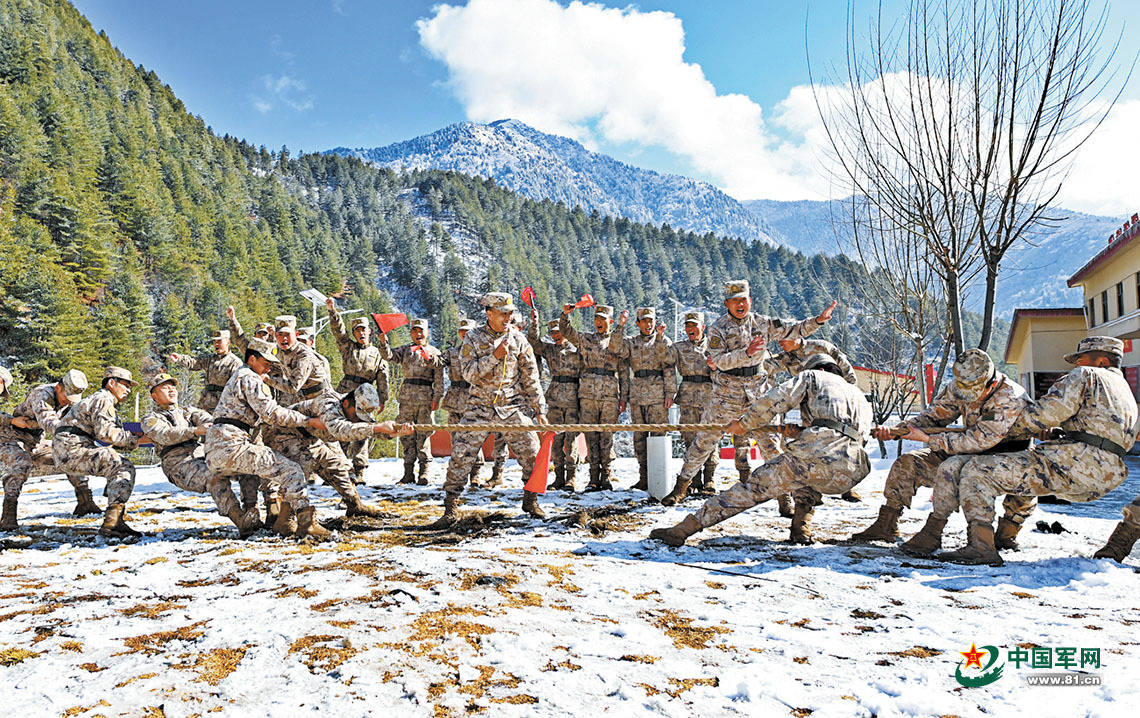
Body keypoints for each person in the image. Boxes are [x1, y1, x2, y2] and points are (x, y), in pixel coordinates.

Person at [927, 336, 1138, 566]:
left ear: (1102, 361)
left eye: (1082, 358)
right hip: (1108, 474)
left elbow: (1044, 413)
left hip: (1075, 462)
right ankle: (1006, 536)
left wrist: (1001, 427)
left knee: (977, 470)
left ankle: (980, 546)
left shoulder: (1086, 375)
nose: (1077, 364)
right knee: (1025, 469)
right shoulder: (1125, 392)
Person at [650, 353, 871, 546]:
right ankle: (800, 529)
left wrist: (744, 424)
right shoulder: (858, 395)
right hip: (851, 472)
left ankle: (683, 529)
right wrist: (802, 433)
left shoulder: (813, 376)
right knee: (810, 473)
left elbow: (775, 400)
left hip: (816, 455)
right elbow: (845, 434)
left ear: (820, 369)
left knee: (751, 490)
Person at [660, 280, 836, 506]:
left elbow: (795, 328)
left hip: (758, 393)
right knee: (704, 441)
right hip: (727, 393)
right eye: (734, 301)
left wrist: (818, 321)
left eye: (743, 300)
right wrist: (747, 352)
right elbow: (720, 361)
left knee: (772, 445)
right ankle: (681, 487)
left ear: (750, 301)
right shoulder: (717, 329)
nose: (740, 305)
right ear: (727, 304)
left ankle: (784, 497)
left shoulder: (763, 323)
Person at [850, 349, 1033, 552]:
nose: (968, 398)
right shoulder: (962, 385)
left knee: (952, 468)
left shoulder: (1009, 397)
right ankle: (886, 525)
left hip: (1007, 461)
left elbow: (978, 441)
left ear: (990, 384)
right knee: (908, 463)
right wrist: (902, 430)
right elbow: (935, 415)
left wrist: (929, 439)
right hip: (967, 452)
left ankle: (996, 535)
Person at [430, 293, 548, 528]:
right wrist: (494, 356)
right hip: (479, 407)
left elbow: (531, 379)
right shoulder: (472, 339)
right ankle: (451, 507)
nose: (508, 317)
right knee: (460, 456)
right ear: (490, 313)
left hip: (511, 407)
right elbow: (469, 374)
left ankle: (530, 500)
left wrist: (539, 410)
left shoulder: (519, 340)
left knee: (532, 452)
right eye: (503, 313)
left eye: (510, 313)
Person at [204, 338, 331, 540]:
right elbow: (271, 413)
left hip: (219, 447)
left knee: (260, 470)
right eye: (266, 363)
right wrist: (309, 421)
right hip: (231, 445)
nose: (269, 368)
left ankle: (267, 519)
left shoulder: (239, 377)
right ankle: (307, 523)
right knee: (292, 470)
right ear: (252, 359)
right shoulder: (249, 377)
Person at [141, 373, 258, 537]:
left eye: (173, 386)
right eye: (165, 387)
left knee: (247, 465)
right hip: (178, 464)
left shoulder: (188, 411)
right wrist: (194, 431)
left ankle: (252, 512)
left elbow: (209, 418)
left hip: (202, 456)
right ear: (154, 395)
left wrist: (211, 424)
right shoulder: (151, 419)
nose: (171, 390)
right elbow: (165, 434)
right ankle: (240, 520)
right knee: (215, 478)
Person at [281, 384, 411, 519]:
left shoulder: (354, 410)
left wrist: (394, 433)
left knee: (337, 466)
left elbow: (369, 430)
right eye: (357, 414)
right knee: (303, 465)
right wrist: (377, 427)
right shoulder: (328, 403)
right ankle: (286, 518)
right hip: (285, 434)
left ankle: (355, 506)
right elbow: (341, 430)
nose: (357, 419)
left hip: (309, 438)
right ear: (346, 403)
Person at [52, 366, 143, 538]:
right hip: (71, 449)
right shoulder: (104, 399)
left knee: (114, 460)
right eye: (125, 385)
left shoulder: (102, 400)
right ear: (111, 383)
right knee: (122, 466)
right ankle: (113, 523)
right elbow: (106, 433)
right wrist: (137, 439)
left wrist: (130, 438)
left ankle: (113, 516)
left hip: (68, 448)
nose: (128, 391)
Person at [766, 338, 859, 503]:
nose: (780, 343)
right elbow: (763, 368)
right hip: (809, 403)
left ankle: (848, 488)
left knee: (841, 443)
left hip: (834, 402)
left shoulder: (821, 347)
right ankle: (813, 492)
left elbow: (847, 372)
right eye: (778, 340)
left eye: (783, 339)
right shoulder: (785, 358)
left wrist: (846, 396)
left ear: (795, 335)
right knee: (812, 445)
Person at [1, 369, 95, 529]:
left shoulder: (68, 400)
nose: (68, 401)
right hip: (9, 438)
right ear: (59, 387)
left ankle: (85, 501)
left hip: (34, 441)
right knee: (21, 463)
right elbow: (48, 422)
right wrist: (11, 420)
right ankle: (8, 516)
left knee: (69, 454)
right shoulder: (42, 394)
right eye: (67, 395)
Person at [558, 304, 630, 491]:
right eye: (596, 319)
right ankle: (592, 478)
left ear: (610, 322)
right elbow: (566, 331)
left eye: (603, 319)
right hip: (588, 395)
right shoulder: (585, 339)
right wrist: (565, 314)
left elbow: (623, 373)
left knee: (606, 436)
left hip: (609, 397)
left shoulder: (618, 342)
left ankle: (605, 476)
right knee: (591, 436)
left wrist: (624, 397)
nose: (599, 322)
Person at [326, 298, 390, 483]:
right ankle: (337, 468)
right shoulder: (348, 348)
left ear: (370, 331)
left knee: (362, 432)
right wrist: (332, 311)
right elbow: (338, 331)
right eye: (357, 330)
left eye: (364, 329)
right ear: (354, 333)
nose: (361, 333)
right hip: (345, 393)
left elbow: (382, 378)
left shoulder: (378, 354)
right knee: (339, 430)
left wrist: (382, 400)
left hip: (366, 396)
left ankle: (359, 470)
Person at [380, 318, 443, 485]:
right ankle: (408, 472)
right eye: (414, 331)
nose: (418, 334)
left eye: (421, 330)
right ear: (411, 333)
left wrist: (437, 398)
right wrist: (383, 343)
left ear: (427, 332)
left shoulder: (434, 352)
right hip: (407, 399)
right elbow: (389, 355)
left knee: (423, 434)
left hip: (425, 399)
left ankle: (424, 472)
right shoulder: (406, 350)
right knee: (406, 434)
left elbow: (439, 379)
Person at [527, 311, 582, 491]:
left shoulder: (577, 349)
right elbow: (534, 344)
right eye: (552, 333)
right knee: (555, 439)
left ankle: (571, 477)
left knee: (571, 438)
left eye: (558, 331)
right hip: (555, 398)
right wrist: (534, 323)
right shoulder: (550, 349)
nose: (556, 335)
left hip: (573, 397)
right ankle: (558, 477)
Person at [623, 308, 677, 491]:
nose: (648, 324)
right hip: (637, 395)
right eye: (644, 321)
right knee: (639, 438)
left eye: (651, 321)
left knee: (658, 436)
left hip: (657, 396)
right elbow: (616, 348)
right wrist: (620, 325)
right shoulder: (632, 342)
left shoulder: (664, 341)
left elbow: (669, 368)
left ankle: (659, 477)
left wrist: (670, 394)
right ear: (637, 323)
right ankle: (644, 477)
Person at [668, 312, 716, 495]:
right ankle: (693, 479)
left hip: (709, 397)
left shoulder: (714, 346)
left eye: (694, 326)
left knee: (710, 438)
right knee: (689, 439)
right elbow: (664, 363)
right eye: (687, 326)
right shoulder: (678, 348)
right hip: (687, 397)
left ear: (702, 327)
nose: (690, 329)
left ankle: (709, 480)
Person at [168, 330, 243, 412]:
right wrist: (179, 358)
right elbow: (194, 363)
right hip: (205, 402)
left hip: (223, 404)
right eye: (214, 341)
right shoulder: (209, 359)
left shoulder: (235, 363)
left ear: (228, 342)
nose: (216, 344)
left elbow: (237, 388)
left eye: (219, 341)